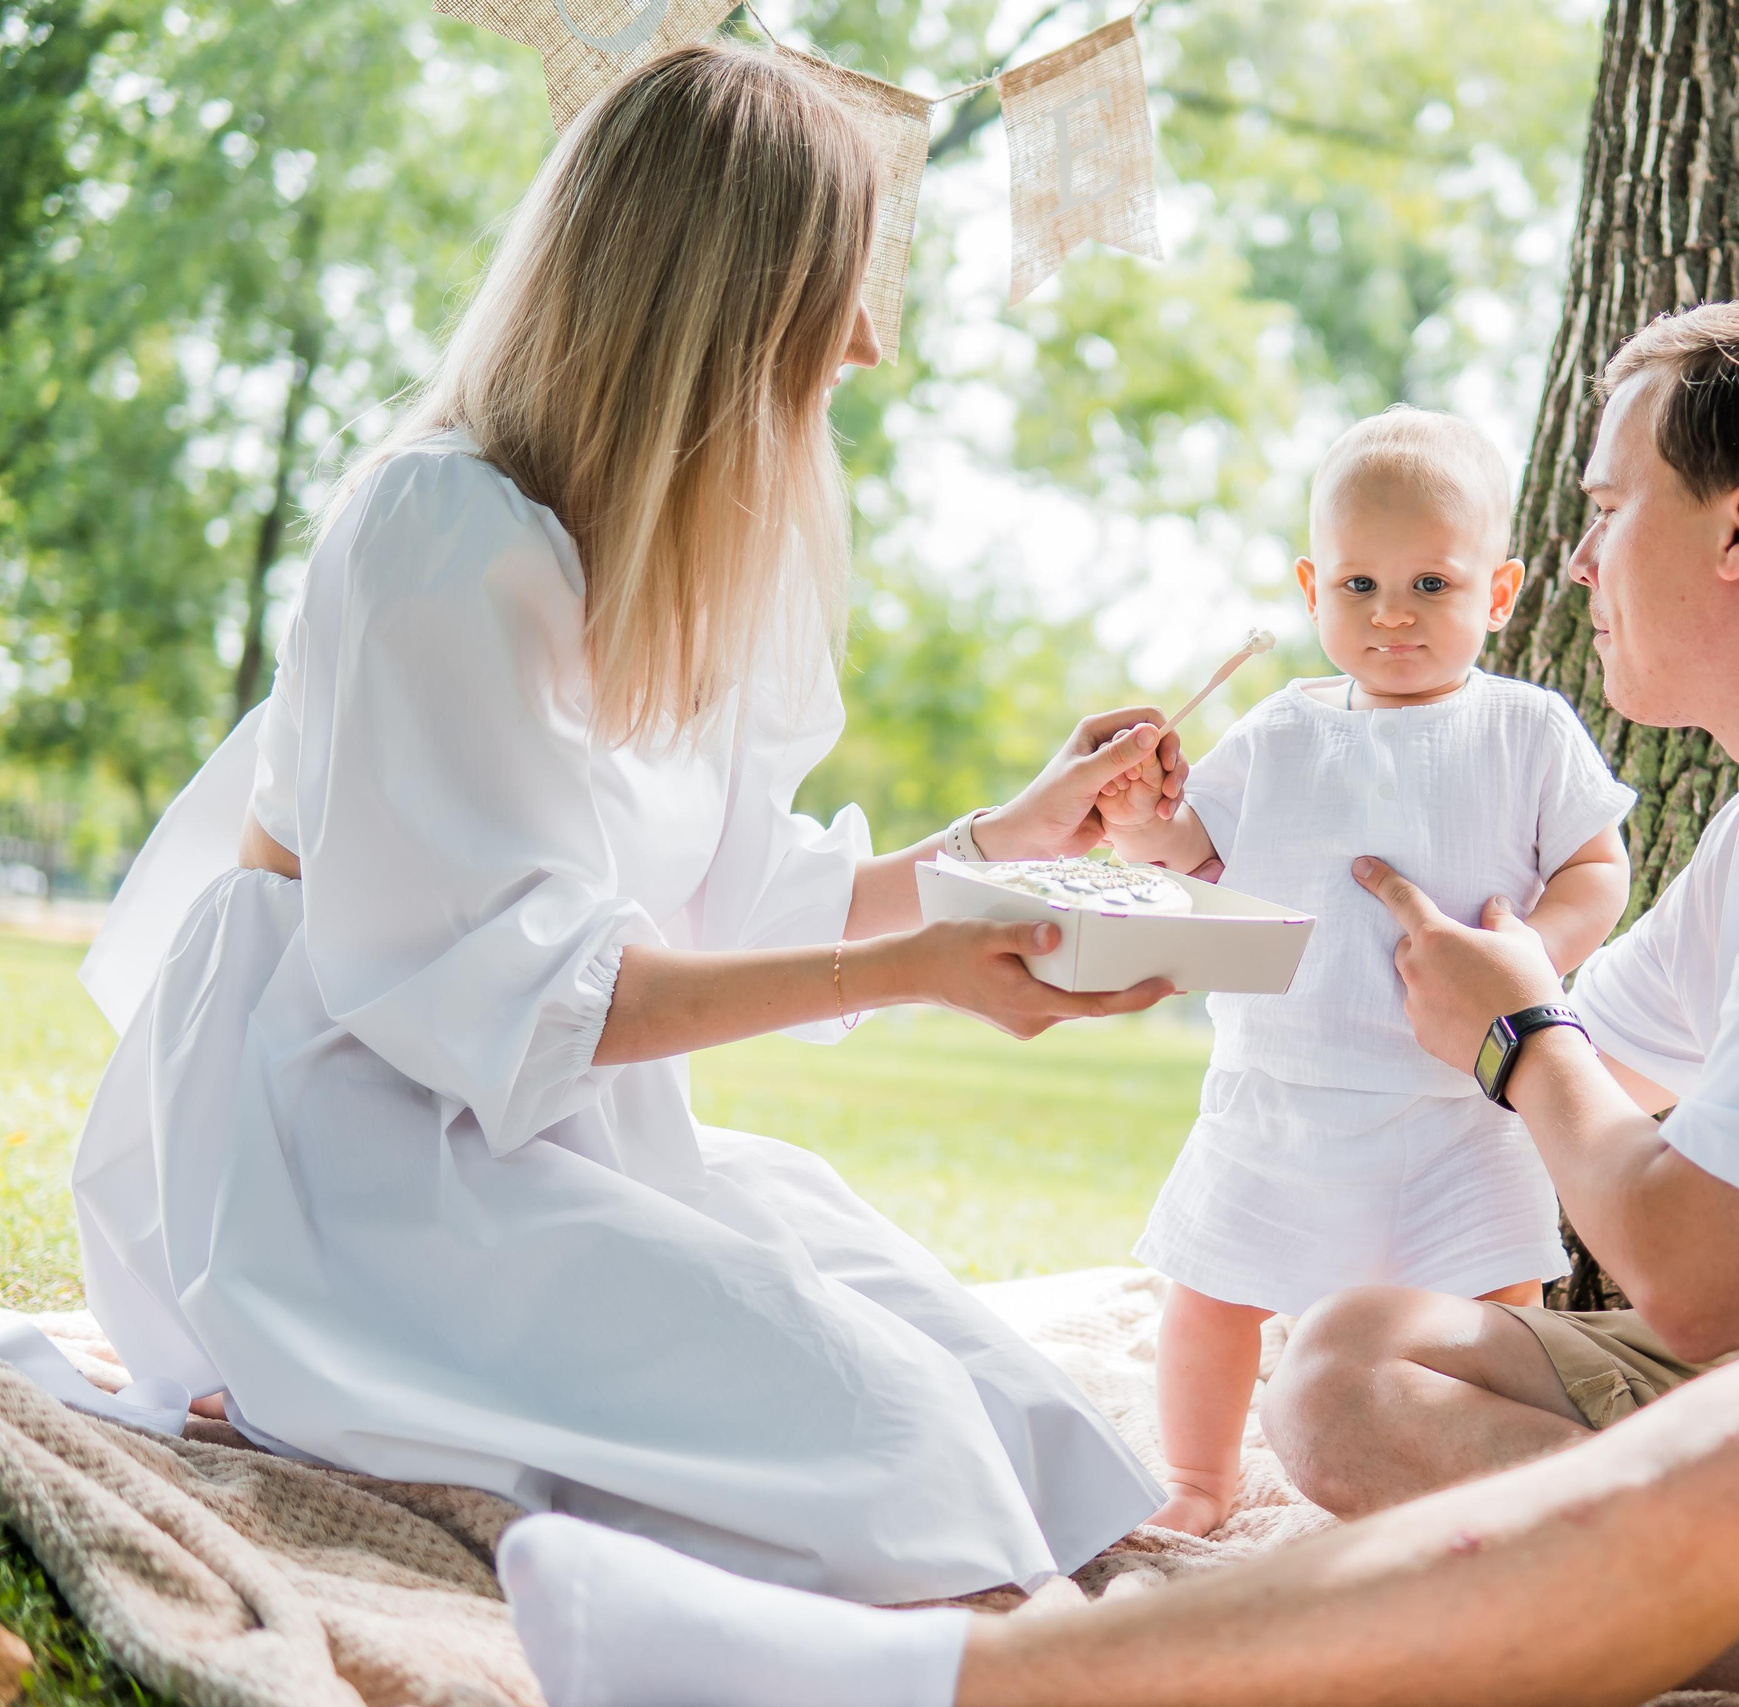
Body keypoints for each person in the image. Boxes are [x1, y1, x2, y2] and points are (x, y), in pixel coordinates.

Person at [494, 296, 1739, 1707]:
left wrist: (1517, 1037)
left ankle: (955, 1686)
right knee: (1348, 1360)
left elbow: (1687, 1266)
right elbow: (1635, 1055)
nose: (1578, 558)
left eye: (1604, 510)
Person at [61, 43, 1192, 1604]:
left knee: (1028, 1424)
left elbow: (736, 892)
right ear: (723, 310)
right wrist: (928, 965)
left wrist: (1003, 838)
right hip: (357, 1155)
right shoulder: (440, 536)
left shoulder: (669, 550)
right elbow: (531, 999)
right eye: (839, 295)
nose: (869, 342)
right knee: (901, 1450)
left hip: (554, 1124)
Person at [1100, 407, 1634, 1533]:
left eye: (1432, 584)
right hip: (1279, 1093)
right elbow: (1189, 849)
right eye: (1357, 586)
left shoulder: (1527, 729)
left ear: (1497, 594)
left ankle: (1475, 1483)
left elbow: (1598, 864)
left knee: (1493, 1310)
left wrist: (1540, 951)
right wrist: (1142, 815)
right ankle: (1198, 1481)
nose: (1392, 613)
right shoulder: (1281, 732)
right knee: (1208, 1297)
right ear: (1311, 589)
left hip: (1463, 1104)